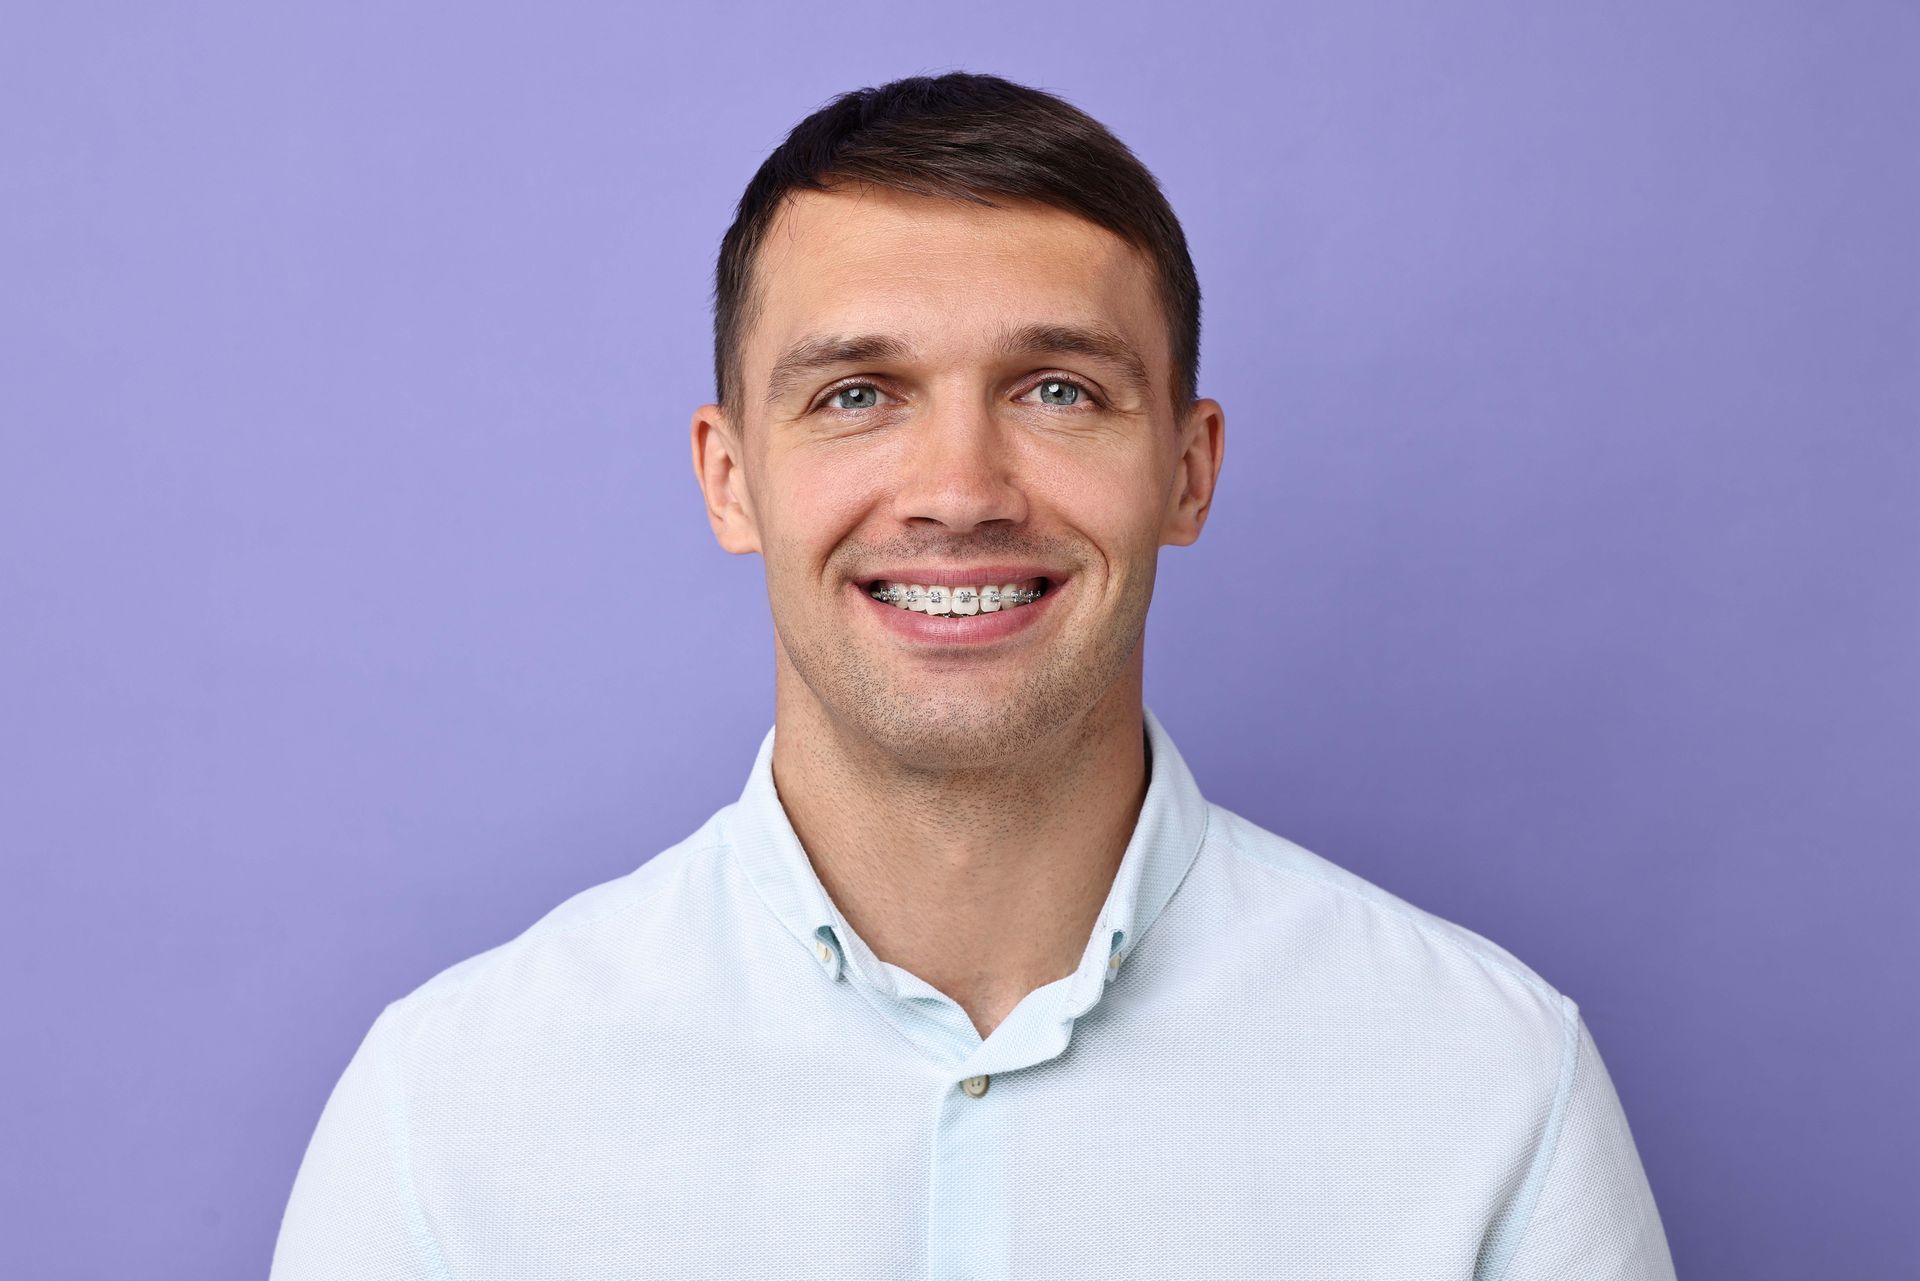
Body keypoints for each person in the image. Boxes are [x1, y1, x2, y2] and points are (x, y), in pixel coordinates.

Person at [270, 71, 1676, 1280]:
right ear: (728, 475)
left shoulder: (1489, 1084)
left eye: (1058, 389)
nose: (958, 490)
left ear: (1186, 471)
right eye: (857, 394)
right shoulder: (451, 1111)